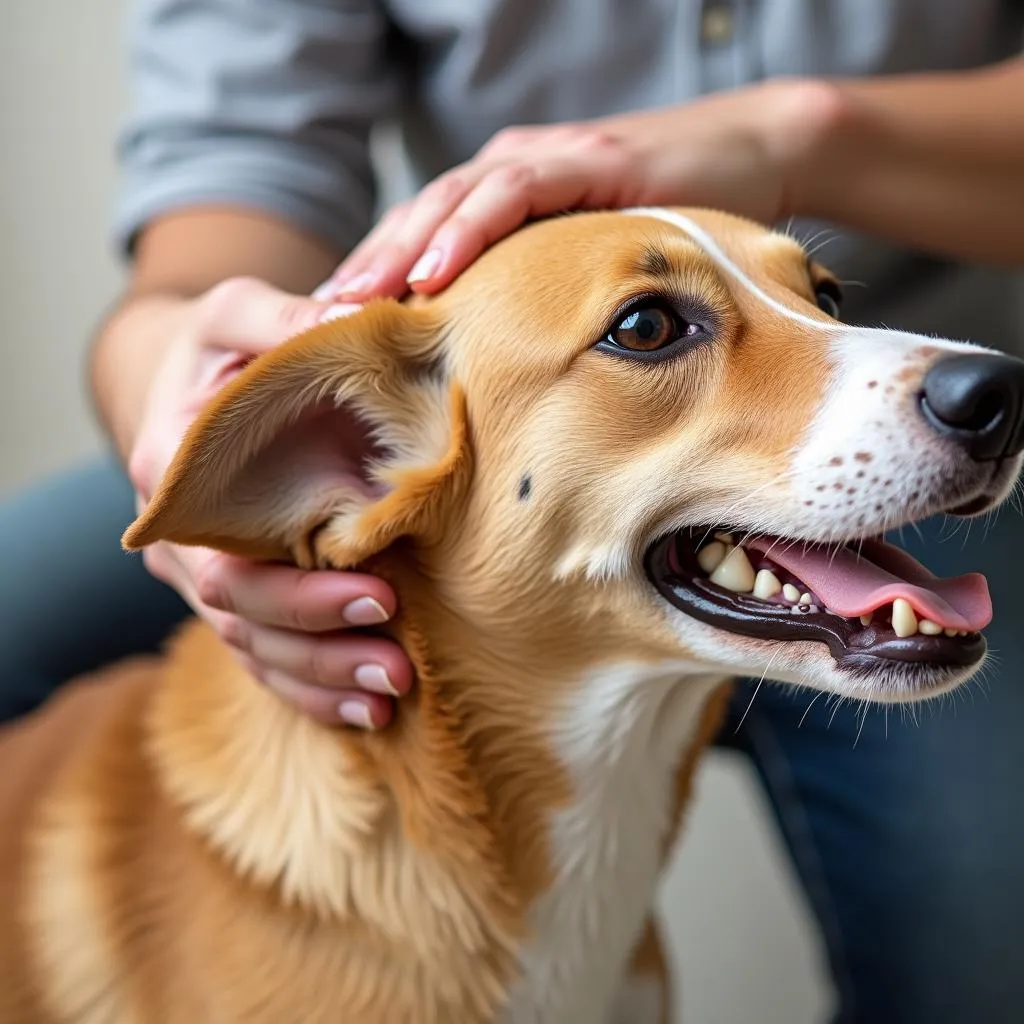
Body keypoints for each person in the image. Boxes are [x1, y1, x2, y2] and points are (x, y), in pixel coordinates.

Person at [2, 1, 1024, 1019]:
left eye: (821, 297)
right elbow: (216, 201)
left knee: (986, 936)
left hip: (855, 492)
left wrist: (798, 134)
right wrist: (175, 393)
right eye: (651, 325)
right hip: (483, 434)